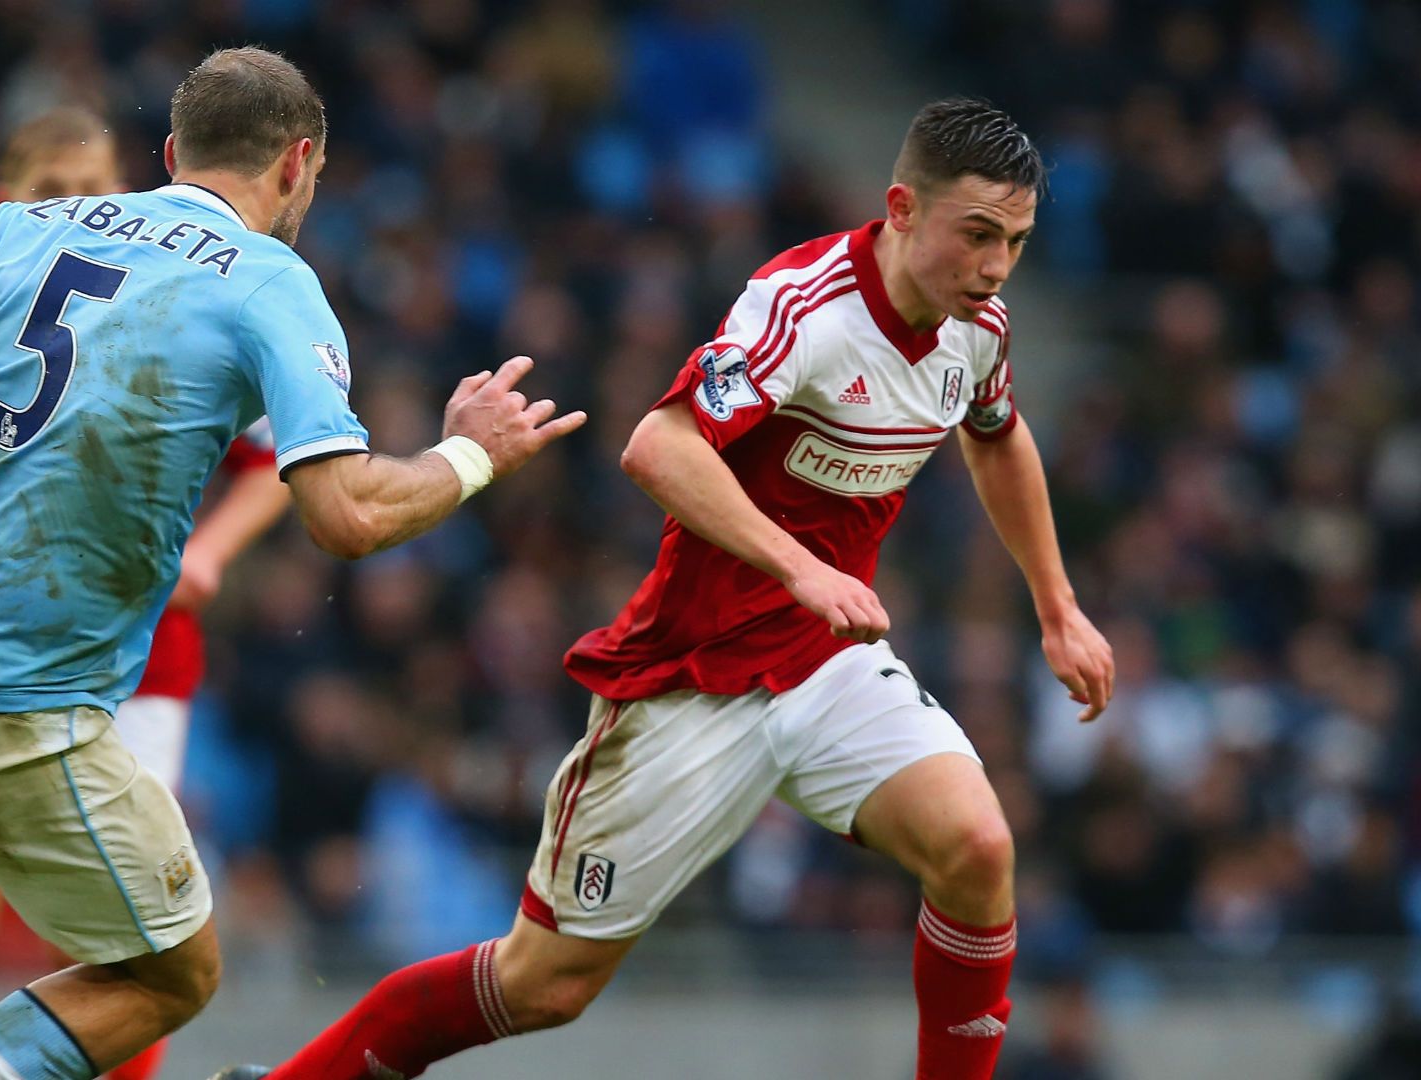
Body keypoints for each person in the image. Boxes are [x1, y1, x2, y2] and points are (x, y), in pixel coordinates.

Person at [0, 47, 583, 1080]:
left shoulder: (20, 226)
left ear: (171, 153)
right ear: (300, 164)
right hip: (15, 701)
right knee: (170, 974)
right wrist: (470, 453)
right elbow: (344, 516)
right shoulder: (273, 283)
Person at [211, 98, 1115, 1080]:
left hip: (829, 666)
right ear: (901, 207)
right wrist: (802, 565)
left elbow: (999, 437)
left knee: (980, 847)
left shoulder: (976, 326)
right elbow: (659, 444)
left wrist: (1058, 608)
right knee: (539, 986)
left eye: (1016, 244)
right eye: (977, 235)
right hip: (697, 678)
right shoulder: (803, 310)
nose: (993, 267)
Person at [0, 108, 293, 1080]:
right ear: (4, 203)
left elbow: (279, 454)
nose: (74, 209)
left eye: (93, 190)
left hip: (141, 656)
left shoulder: (167, 304)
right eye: (49, 193)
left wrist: (208, 555)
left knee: (125, 936)